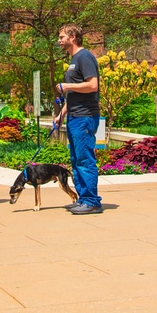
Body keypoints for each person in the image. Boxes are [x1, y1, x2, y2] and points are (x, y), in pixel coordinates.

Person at [52, 25, 102, 215]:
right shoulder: (74, 60)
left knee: (84, 159)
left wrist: (66, 85)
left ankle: (92, 201)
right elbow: (73, 93)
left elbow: (92, 85)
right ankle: (83, 199)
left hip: (85, 116)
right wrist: (62, 113)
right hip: (74, 116)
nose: (59, 40)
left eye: (62, 36)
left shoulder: (84, 57)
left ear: (73, 37)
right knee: (75, 159)